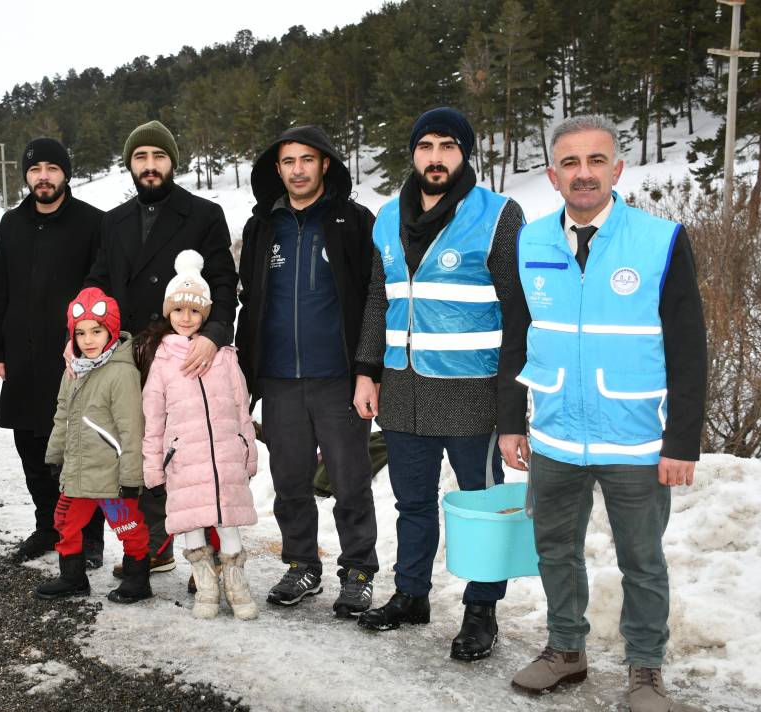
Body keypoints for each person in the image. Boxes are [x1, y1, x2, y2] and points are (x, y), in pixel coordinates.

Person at [499, 115, 706, 712]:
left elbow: (690, 348)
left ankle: (645, 669)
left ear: (617, 169)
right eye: (570, 163)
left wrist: (682, 441)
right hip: (557, 434)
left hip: (636, 438)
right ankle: (566, 650)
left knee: (642, 560)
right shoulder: (530, 241)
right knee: (555, 549)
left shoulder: (660, 239)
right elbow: (518, 334)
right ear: (552, 175)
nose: (583, 173)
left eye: (595, 161)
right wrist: (512, 420)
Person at [352, 108, 524, 661]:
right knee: (413, 504)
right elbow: (379, 299)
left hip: (474, 391)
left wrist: (511, 405)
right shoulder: (386, 217)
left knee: (483, 506)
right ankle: (411, 595)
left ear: (465, 153)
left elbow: (517, 312)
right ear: (413, 153)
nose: (434, 157)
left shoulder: (498, 215)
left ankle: (480, 613)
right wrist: (367, 370)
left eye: (447, 146)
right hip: (404, 390)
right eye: (425, 146)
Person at [82, 120, 239, 577]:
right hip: (129, 353)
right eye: (140, 158)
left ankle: (207, 551)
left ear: (173, 161)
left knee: (192, 452)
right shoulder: (114, 222)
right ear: (130, 164)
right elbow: (99, 282)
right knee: (137, 449)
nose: (150, 167)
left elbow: (225, 283)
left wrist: (213, 335)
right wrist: (85, 332)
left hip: (186, 352)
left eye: (158, 157)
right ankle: (151, 542)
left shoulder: (204, 215)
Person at [236, 125, 379, 616]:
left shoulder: (354, 222)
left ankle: (358, 570)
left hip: (337, 377)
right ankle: (302, 565)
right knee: (291, 480)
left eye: (307, 160)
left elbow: (371, 302)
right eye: (288, 161)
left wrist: (368, 370)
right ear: (277, 169)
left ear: (325, 165)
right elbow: (248, 302)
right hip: (278, 379)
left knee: (350, 480)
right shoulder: (261, 227)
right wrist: (244, 373)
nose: (298, 169)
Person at [0, 137, 107, 564]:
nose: (43, 177)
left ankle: (89, 537)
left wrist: (93, 347)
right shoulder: (12, 224)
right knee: (31, 448)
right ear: (27, 176)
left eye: (52, 169)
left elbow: (102, 293)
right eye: (36, 170)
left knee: (77, 450)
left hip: (75, 359)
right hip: (23, 357)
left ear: (65, 175)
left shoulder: (93, 223)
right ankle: (47, 527)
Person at [139, 250, 259, 620]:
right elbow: (153, 416)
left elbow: (242, 408)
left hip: (224, 456)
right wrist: (154, 466)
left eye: (194, 311)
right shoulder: (161, 359)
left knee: (229, 521)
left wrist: (248, 452)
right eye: (178, 310)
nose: (186, 318)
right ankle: (206, 586)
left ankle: (236, 584)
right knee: (190, 523)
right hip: (185, 460)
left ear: (205, 314)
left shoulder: (224, 356)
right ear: (168, 312)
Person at [34, 287, 152, 604]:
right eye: (81, 332)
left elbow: (131, 429)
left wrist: (130, 477)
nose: (88, 340)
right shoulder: (73, 371)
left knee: (128, 527)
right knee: (64, 523)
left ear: (111, 331)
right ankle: (72, 578)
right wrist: (55, 456)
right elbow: (63, 416)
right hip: (78, 476)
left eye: (96, 331)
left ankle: (138, 578)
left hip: (111, 481)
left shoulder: (121, 374)